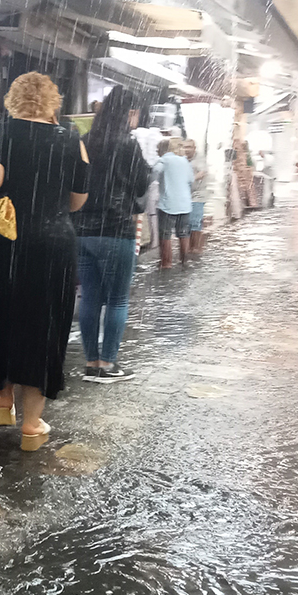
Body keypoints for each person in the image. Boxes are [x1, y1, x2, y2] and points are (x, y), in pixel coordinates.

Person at [0, 72, 89, 451]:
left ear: (12, 100)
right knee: (44, 327)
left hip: (2, 242)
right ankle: (32, 425)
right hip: (52, 245)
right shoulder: (71, 140)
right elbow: (77, 201)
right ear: (52, 102)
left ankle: (3, 399)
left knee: (1, 315)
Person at [73, 85, 148, 384]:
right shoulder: (129, 145)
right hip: (116, 229)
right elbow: (141, 187)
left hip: (81, 230)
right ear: (130, 112)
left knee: (90, 297)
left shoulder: (85, 140)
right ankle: (109, 364)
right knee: (117, 300)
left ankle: (91, 363)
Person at [153, 137, 195, 268]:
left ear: (162, 149)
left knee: (165, 234)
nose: (156, 151)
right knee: (183, 233)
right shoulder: (184, 161)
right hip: (185, 203)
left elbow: (153, 173)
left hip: (168, 204)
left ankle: (166, 262)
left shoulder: (163, 160)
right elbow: (191, 179)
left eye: (157, 149)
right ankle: (185, 260)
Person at [186, 139, 208, 254]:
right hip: (186, 196)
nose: (187, 149)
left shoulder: (199, 160)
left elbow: (201, 174)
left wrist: (190, 179)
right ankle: (190, 249)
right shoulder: (183, 160)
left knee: (195, 222)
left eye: (189, 147)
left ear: (194, 148)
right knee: (188, 225)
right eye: (185, 147)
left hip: (197, 196)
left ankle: (196, 249)